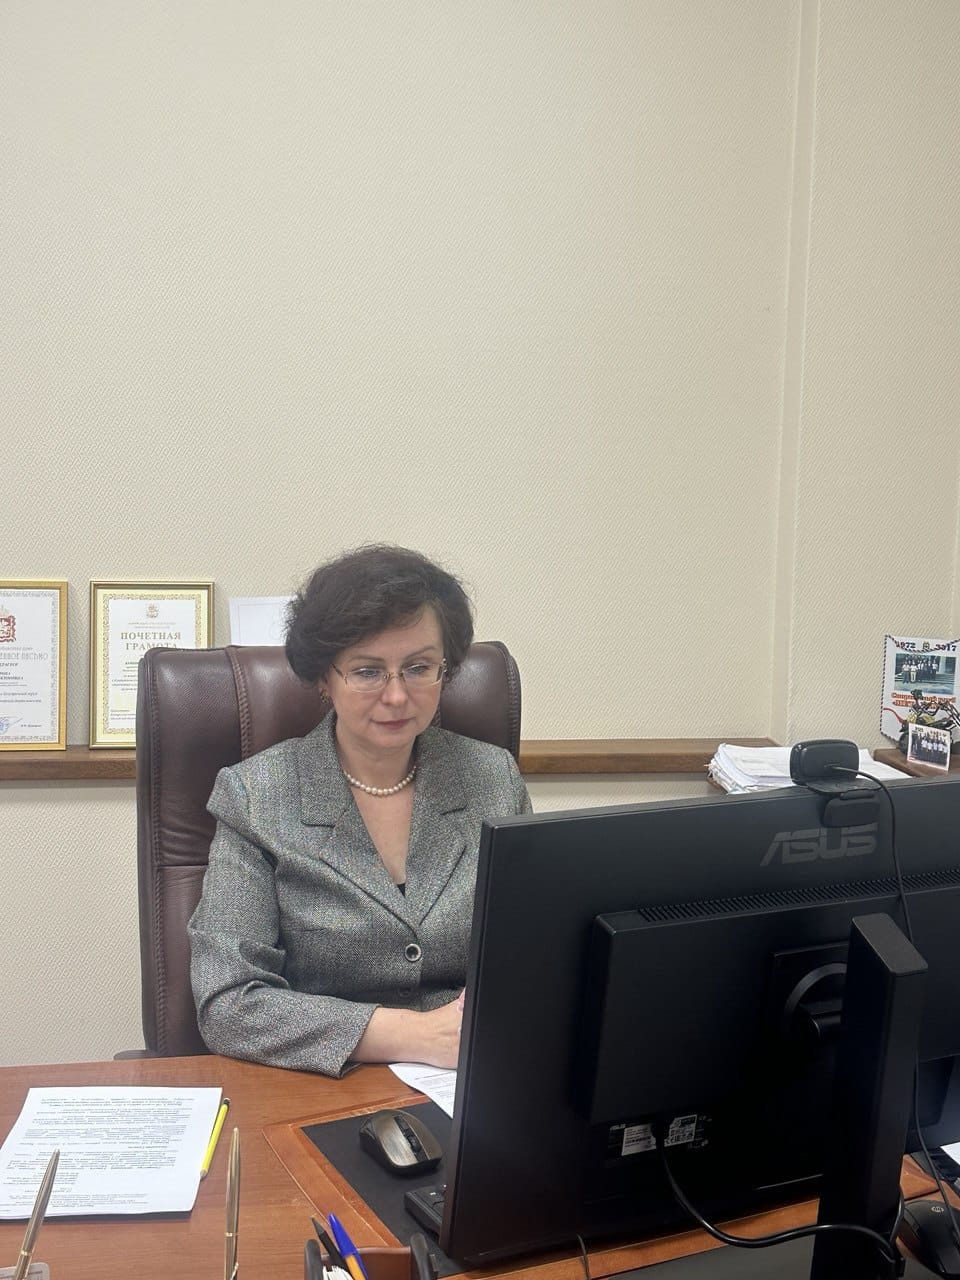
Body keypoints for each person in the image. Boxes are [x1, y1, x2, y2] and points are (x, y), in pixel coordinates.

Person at [188, 545, 531, 1077]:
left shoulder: (493, 778)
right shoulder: (255, 796)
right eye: (368, 672)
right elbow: (228, 1003)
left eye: (419, 668)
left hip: (477, 1075)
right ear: (323, 678)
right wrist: (413, 1035)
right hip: (326, 1082)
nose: (397, 696)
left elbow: (531, 954)